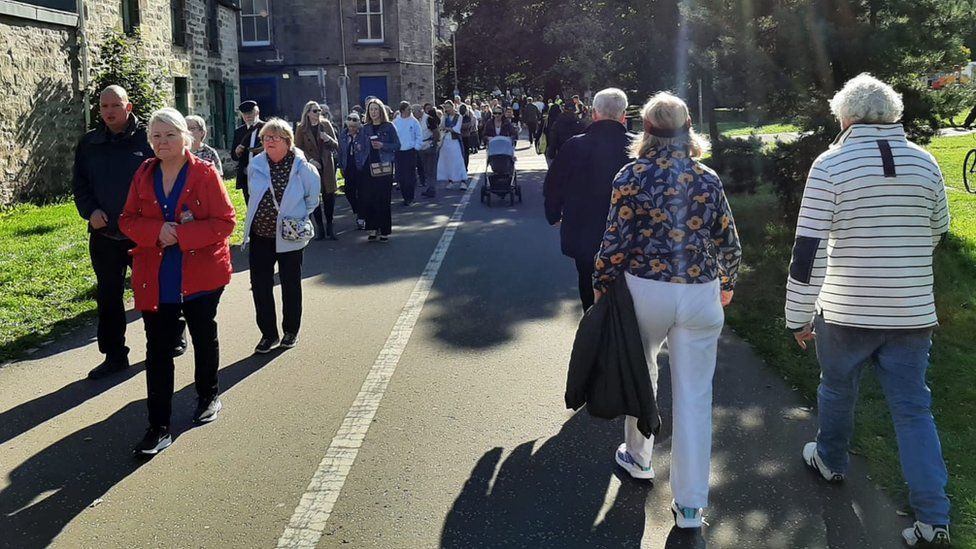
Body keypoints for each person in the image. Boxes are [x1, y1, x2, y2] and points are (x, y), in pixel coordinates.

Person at [785, 74, 953, 548]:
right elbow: (938, 229)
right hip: (913, 312)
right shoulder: (926, 162)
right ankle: (933, 518)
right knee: (914, 410)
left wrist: (797, 315)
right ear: (894, 114)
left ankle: (831, 461)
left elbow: (808, 251)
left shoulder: (831, 164)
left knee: (837, 389)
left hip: (846, 310)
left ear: (845, 117)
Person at [592, 91, 741, 530]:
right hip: (699, 290)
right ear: (689, 125)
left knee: (641, 372)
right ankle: (691, 505)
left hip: (645, 289)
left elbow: (614, 242)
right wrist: (727, 283)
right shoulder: (706, 177)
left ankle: (638, 458)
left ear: (647, 129)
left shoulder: (631, 174)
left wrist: (601, 285)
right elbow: (728, 241)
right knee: (695, 395)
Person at [118, 107, 235, 455]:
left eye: (169, 135)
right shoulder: (143, 173)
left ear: (186, 138)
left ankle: (208, 394)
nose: (162, 142)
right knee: (158, 349)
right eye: (156, 136)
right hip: (156, 277)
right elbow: (127, 219)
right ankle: (158, 426)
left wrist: (182, 235)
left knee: (202, 335)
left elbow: (225, 221)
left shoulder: (204, 173)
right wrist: (157, 231)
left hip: (201, 274)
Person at [73, 85, 184, 380]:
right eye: (104, 106)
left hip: (144, 234)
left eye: (115, 105)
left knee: (155, 291)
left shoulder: (147, 140)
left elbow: (169, 176)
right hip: (105, 234)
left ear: (128, 106)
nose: (109, 111)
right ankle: (114, 355)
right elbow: (80, 185)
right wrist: (90, 211)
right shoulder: (89, 143)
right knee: (108, 297)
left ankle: (169, 337)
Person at [544, 88, 634, 311]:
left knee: (587, 279)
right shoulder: (637, 148)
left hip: (584, 230)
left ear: (594, 113)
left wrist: (554, 213)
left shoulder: (575, 145)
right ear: (624, 115)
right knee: (629, 285)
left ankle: (592, 327)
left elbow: (554, 185)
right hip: (629, 232)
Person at [243, 118, 320, 353]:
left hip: (290, 235)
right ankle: (268, 334)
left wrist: (296, 217)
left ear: (287, 141)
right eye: (266, 138)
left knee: (290, 283)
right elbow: (252, 195)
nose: (269, 142)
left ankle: (290, 331)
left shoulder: (303, 168)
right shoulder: (256, 165)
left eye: (274, 138)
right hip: (261, 234)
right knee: (260, 286)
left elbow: (312, 199)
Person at [295, 101, 340, 240]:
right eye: (315, 111)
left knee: (329, 195)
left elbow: (336, 145)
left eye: (319, 110)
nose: (318, 113)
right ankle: (319, 226)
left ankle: (330, 225)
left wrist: (327, 139)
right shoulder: (301, 128)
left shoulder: (326, 125)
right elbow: (297, 149)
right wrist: (310, 160)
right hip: (311, 166)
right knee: (314, 196)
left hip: (327, 164)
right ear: (308, 112)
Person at [360, 98, 401, 241]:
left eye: (376, 109)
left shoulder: (389, 127)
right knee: (370, 198)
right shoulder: (365, 128)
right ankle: (372, 228)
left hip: (384, 166)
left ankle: (384, 230)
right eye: (371, 109)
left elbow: (397, 145)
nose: (373, 112)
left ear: (381, 111)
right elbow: (361, 147)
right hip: (368, 167)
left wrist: (382, 145)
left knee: (383, 199)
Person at [339, 112, 369, 230]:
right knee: (348, 191)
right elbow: (341, 150)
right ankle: (359, 210)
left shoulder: (363, 134)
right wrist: (341, 166)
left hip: (360, 168)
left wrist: (363, 163)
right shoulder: (343, 134)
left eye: (354, 126)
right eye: (350, 126)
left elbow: (366, 150)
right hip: (349, 168)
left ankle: (361, 218)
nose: (352, 129)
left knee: (362, 193)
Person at [230, 100, 264, 203]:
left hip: (263, 173)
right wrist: (236, 151)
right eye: (245, 114)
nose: (248, 116)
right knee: (249, 206)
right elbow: (234, 156)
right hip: (246, 175)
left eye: (250, 113)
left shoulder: (266, 128)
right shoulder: (239, 131)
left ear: (257, 113)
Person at [392, 101, 422, 206]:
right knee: (401, 176)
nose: (410, 111)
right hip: (399, 152)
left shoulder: (414, 121)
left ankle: (410, 196)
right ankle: (405, 196)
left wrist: (416, 147)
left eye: (411, 109)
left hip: (410, 151)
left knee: (410, 175)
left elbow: (419, 135)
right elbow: (393, 137)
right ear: (402, 111)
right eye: (408, 109)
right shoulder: (395, 122)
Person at [436, 100, 469, 192]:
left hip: (455, 141)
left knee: (458, 160)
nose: (447, 109)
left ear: (453, 107)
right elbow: (441, 127)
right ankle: (450, 180)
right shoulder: (444, 116)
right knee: (447, 161)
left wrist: (447, 128)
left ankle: (463, 181)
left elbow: (456, 129)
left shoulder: (459, 117)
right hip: (446, 141)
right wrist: (444, 119)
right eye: (445, 107)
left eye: (448, 107)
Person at [419, 104, 440, 195]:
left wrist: (433, 144)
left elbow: (436, 133)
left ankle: (432, 188)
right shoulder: (417, 120)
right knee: (425, 168)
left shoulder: (429, 119)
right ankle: (429, 187)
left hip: (429, 145)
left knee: (431, 168)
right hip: (421, 146)